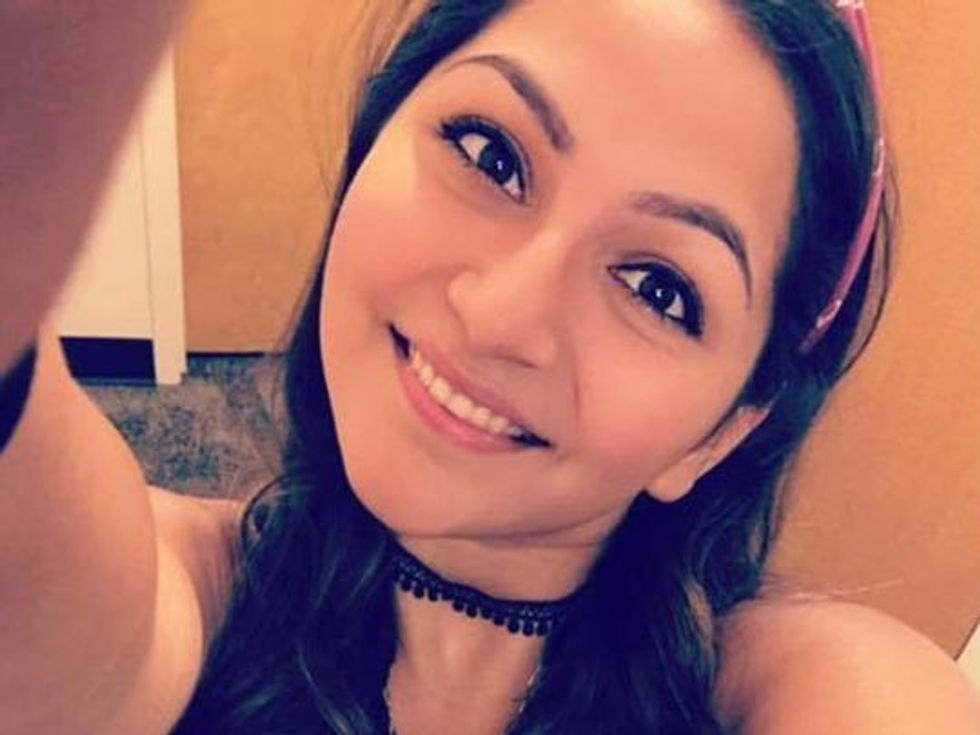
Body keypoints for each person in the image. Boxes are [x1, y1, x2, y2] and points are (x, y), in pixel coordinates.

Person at [1, 1, 978, 733]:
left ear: (721, 432)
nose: (499, 315)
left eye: (656, 288)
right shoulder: (170, 593)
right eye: (490, 154)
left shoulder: (793, 684)